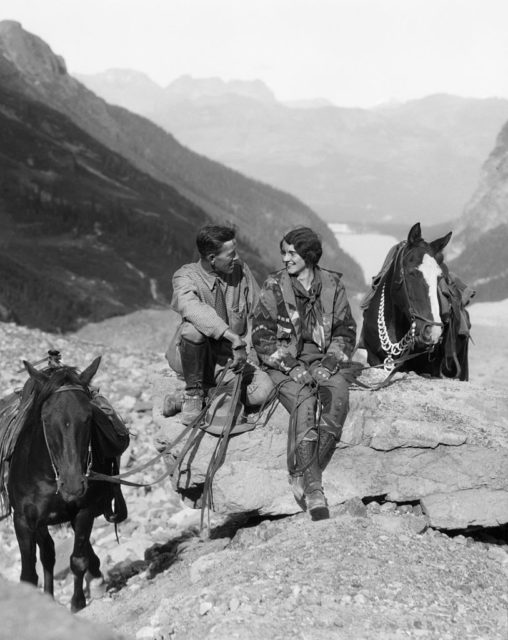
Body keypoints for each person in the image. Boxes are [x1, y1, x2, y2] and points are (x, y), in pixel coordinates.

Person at [252, 227, 356, 520]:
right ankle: (314, 490)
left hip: (323, 361)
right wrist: (291, 366)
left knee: (338, 397)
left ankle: (302, 474)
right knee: (305, 402)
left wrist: (329, 364)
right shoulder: (274, 285)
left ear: (308, 255)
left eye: (292, 253)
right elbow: (261, 337)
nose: (285, 258)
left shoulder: (333, 285)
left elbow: (346, 331)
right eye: (283, 253)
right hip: (284, 363)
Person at [166, 224, 273, 425]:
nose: (236, 257)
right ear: (212, 258)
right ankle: (193, 394)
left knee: (264, 391)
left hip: (228, 358)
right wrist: (233, 337)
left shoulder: (240, 271)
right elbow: (193, 309)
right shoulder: (184, 276)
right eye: (230, 254)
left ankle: (185, 400)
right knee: (192, 329)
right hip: (195, 359)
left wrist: (250, 346)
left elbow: (259, 311)